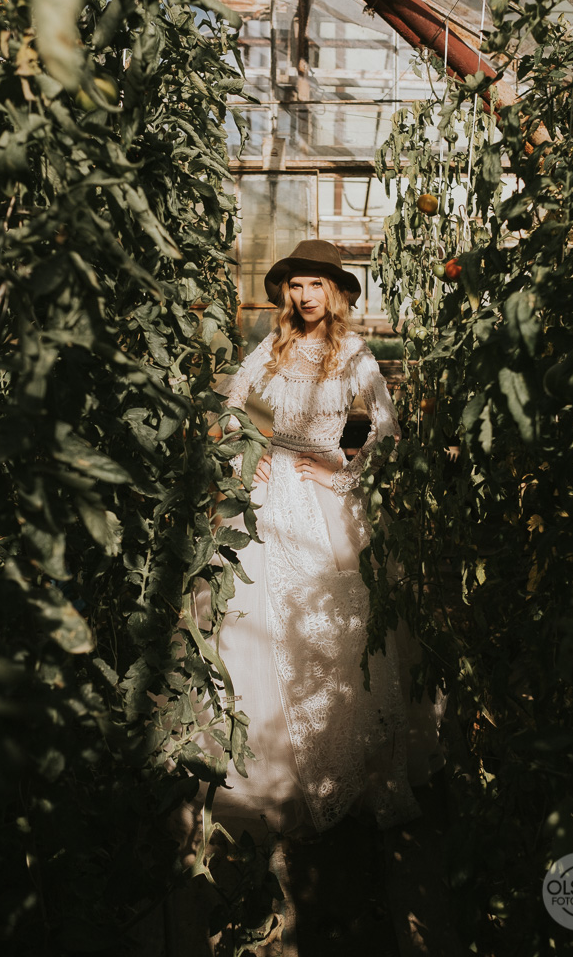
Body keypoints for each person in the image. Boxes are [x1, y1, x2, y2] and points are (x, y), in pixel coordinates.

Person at [191, 240, 445, 839]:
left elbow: (388, 429)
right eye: (296, 285)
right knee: (253, 621)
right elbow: (231, 407)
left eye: (316, 285)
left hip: (325, 494)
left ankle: (347, 770)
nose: (304, 296)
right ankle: (271, 775)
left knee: (338, 626)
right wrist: (247, 452)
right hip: (268, 492)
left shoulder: (353, 352)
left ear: (335, 292)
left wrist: (342, 475)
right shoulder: (273, 346)